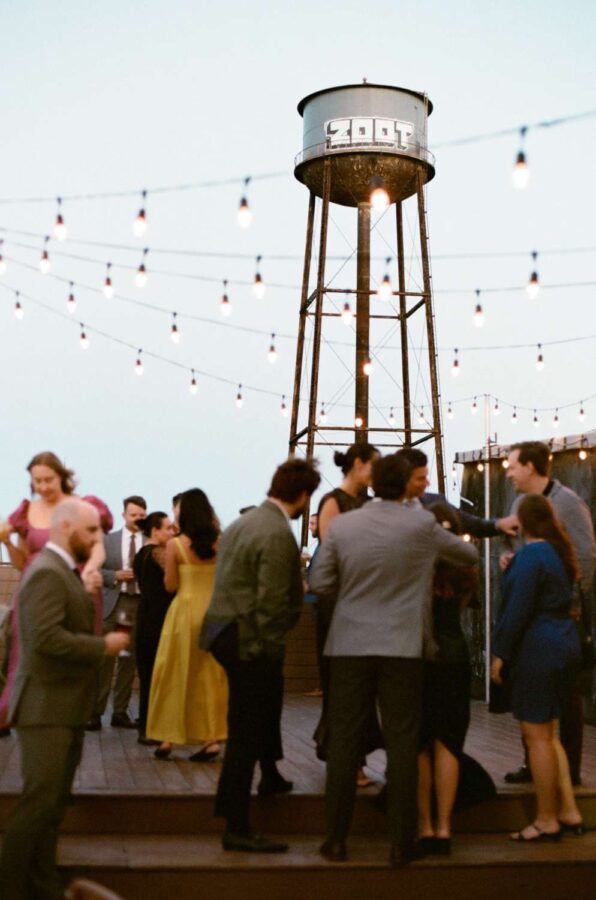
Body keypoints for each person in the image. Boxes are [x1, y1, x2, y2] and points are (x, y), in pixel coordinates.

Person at [310, 454, 478, 868]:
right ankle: (402, 842)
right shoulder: (421, 525)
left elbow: (319, 581)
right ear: (405, 485)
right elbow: (467, 555)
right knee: (403, 742)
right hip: (403, 646)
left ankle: (336, 839)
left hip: (348, 644)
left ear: (372, 483)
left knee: (345, 741)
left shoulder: (344, 526)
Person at [0, 499, 129, 900]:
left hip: (62, 708)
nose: (96, 539)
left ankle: (43, 887)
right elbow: (45, 641)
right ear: (66, 527)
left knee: (52, 808)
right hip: (45, 711)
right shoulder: (46, 572)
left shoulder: (65, 572)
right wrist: (103, 646)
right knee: (37, 807)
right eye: (91, 531)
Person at [200, 458, 321, 854]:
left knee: (263, 706)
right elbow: (271, 601)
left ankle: (270, 775)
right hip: (249, 638)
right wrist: (269, 649)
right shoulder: (277, 533)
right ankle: (236, 825)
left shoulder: (244, 523)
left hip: (223, 631)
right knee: (246, 730)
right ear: (303, 495)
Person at [491, 494, 583, 842]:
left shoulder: (531, 556)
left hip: (537, 649)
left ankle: (546, 819)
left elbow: (517, 608)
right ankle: (569, 810)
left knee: (537, 738)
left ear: (524, 522)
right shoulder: (557, 553)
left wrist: (500, 653)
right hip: (564, 643)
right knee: (551, 734)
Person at [503, 441, 595, 785]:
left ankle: (568, 770)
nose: (508, 473)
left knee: (567, 694)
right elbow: (515, 545)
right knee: (531, 692)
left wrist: (565, 599)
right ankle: (534, 763)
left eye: (513, 466)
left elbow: (585, 555)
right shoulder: (518, 504)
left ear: (530, 467)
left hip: (561, 618)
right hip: (528, 615)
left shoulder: (568, 503)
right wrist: (510, 560)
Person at [0, 451, 112, 735]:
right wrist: (8, 543)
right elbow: (21, 562)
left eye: (48, 479)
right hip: (35, 589)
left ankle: (64, 720)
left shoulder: (82, 506)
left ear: (62, 476)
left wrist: (92, 568)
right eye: (37, 481)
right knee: (27, 652)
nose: (43, 486)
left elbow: (97, 547)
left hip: (75, 585)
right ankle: (25, 716)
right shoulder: (26, 511)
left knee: (70, 653)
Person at [417, 501, 494, 856]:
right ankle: (445, 827)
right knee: (448, 742)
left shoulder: (418, 564)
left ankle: (425, 826)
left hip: (420, 654)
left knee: (420, 744)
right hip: (454, 654)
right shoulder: (464, 569)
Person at [312, 444, 382, 779]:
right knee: (341, 683)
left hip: (364, 602)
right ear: (358, 464)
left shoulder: (370, 503)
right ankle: (347, 760)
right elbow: (331, 554)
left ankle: (356, 758)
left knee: (364, 686)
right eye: (374, 465)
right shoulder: (333, 502)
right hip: (338, 603)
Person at [147, 489, 228, 760]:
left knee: (175, 674)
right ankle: (211, 739)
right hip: (213, 614)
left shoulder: (176, 545)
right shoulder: (220, 543)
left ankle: (167, 739)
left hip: (185, 612)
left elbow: (171, 585)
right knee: (210, 677)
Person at [90, 495, 147, 731]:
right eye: (133, 515)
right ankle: (95, 713)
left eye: (142, 515)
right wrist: (115, 576)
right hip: (113, 603)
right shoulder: (108, 540)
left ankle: (120, 713)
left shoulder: (151, 541)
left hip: (137, 605)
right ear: (124, 515)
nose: (138, 519)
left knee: (127, 660)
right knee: (104, 660)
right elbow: (95, 569)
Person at [395, 447, 518, 538]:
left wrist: (498, 524)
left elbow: (471, 523)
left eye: (426, 477)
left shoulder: (436, 503)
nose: (427, 483)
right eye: (420, 479)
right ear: (403, 479)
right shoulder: (385, 508)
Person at [133, 511, 175, 744]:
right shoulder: (157, 553)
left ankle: (146, 726)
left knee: (148, 674)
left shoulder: (141, 554)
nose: (171, 532)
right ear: (155, 531)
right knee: (156, 676)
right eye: (167, 528)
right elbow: (173, 581)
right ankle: (151, 728)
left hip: (145, 616)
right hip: (159, 619)